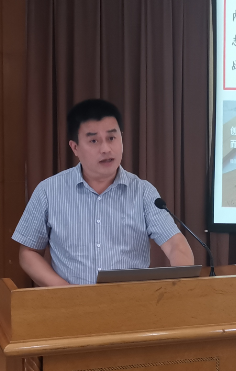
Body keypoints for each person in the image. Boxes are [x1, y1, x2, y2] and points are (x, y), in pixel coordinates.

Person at [12, 99, 194, 286]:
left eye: (112, 138)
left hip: (131, 300)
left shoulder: (143, 192)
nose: (106, 149)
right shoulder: (48, 191)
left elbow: (175, 244)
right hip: (71, 300)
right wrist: (65, 291)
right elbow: (28, 252)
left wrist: (182, 284)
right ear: (75, 147)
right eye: (94, 140)